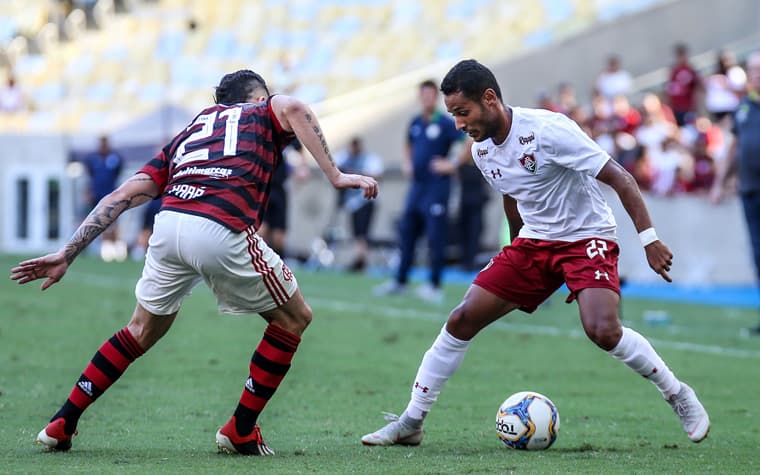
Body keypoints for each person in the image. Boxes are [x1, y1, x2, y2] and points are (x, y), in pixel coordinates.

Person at [11, 69, 379, 455]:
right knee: (294, 317)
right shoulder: (260, 112)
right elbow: (296, 107)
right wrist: (335, 175)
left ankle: (62, 421)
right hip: (220, 226)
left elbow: (125, 194)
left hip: (168, 227)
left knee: (139, 330)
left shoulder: (192, 130)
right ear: (256, 98)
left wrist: (67, 253)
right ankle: (240, 429)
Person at [361, 60, 709, 448]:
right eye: (453, 115)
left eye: (463, 112)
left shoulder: (549, 130)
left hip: (586, 237)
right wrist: (514, 254)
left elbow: (620, 178)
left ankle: (677, 393)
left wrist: (649, 240)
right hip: (535, 242)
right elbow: (514, 196)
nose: (458, 124)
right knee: (461, 319)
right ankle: (412, 421)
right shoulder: (481, 152)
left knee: (603, 331)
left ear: (489, 99)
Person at [374, 79, 468, 303]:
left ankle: (434, 285)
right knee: (407, 231)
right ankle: (400, 281)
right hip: (417, 187)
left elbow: (467, 142)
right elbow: (408, 144)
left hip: (437, 187)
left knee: (436, 235)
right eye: (422, 95)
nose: (426, 99)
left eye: (429, 95)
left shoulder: (445, 123)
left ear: (435, 97)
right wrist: (407, 163)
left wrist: (452, 164)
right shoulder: (415, 122)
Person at [712, 50, 760, 334]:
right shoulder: (744, 107)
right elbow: (734, 147)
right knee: (758, 255)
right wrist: (720, 181)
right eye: (752, 70)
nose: (756, 75)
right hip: (751, 191)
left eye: (759, 70)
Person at [334, 136, 384, 271]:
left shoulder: (369, 159)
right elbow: (332, 166)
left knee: (363, 231)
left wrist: (355, 174)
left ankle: (361, 258)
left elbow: (377, 174)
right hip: (352, 202)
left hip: (365, 200)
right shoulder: (344, 157)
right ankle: (360, 257)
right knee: (357, 232)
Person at [257, 138, 309, 258]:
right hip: (263, 188)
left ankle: (278, 269)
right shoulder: (261, 128)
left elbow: (299, 150)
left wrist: (302, 168)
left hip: (280, 189)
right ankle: (259, 267)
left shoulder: (285, 131)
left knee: (279, 239)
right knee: (261, 232)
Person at [84, 135, 126, 261]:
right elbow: (90, 175)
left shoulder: (115, 158)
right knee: (99, 221)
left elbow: (118, 173)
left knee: (114, 221)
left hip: (111, 194)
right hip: (97, 196)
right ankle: (105, 247)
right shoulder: (92, 158)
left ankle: (117, 247)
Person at [665, 43, 702, 127]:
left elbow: (700, 86)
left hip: (689, 108)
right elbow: (669, 89)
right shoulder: (674, 71)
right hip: (676, 108)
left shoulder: (691, 70)